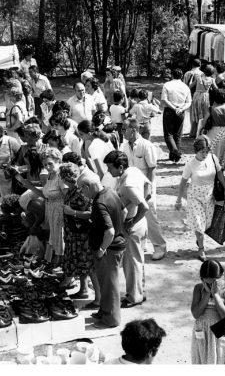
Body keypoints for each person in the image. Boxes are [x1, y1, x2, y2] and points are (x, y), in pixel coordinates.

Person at [104, 150, 150, 308]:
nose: (108, 171)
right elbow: (148, 187)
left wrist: (131, 222)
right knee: (138, 260)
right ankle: (139, 292)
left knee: (132, 263)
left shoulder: (128, 184)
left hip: (133, 225)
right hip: (140, 223)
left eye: (111, 167)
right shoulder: (134, 171)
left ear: (121, 167)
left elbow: (144, 207)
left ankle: (134, 297)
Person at [83, 172, 127, 328]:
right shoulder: (109, 191)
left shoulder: (99, 202)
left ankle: (111, 320)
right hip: (115, 246)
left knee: (110, 286)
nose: (83, 194)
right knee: (105, 283)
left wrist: (102, 248)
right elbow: (124, 211)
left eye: (83, 190)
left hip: (109, 250)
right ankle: (104, 311)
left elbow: (110, 232)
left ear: (88, 186)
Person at [120, 118, 167, 261]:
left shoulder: (147, 146)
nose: (122, 132)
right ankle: (143, 242)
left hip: (146, 186)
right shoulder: (125, 146)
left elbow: (152, 168)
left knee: (150, 215)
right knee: (135, 214)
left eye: (124, 129)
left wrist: (149, 190)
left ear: (133, 130)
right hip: (133, 186)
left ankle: (160, 246)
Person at [175, 137, 225, 261]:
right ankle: (201, 249)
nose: (205, 154)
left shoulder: (213, 158)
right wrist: (178, 200)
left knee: (207, 223)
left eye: (206, 151)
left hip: (209, 196)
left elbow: (219, 173)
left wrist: (224, 187)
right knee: (199, 223)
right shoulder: (190, 165)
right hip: (194, 198)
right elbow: (183, 183)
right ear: (196, 151)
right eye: (202, 151)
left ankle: (199, 240)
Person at [15, 148, 67, 264]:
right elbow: (45, 195)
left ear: (58, 161)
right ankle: (54, 265)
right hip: (51, 211)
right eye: (45, 164)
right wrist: (26, 184)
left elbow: (67, 196)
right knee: (53, 240)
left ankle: (61, 267)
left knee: (59, 240)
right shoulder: (50, 175)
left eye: (50, 164)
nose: (47, 167)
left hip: (59, 214)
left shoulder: (61, 177)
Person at [58, 162, 94, 299]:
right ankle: (83, 288)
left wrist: (72, 212)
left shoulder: (81, 191)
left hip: (81, 234)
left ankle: (85, 289)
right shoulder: (72, 190)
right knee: (79, 262)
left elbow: (90, 213)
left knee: (83, 262)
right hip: (72, 233)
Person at [190, 259, 225, 364]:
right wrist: (207, 294)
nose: (211, 286)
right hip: (201, 329)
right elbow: (196, 314)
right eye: (207, 283)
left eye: (213, 283)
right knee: (201, 359)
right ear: (202, 279)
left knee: (218, 359)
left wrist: (216, 294)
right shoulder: (198, 288)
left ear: (222, 275)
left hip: (219, 332)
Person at [160, 68, 192, 163]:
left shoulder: (167, 85)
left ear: (172, 75)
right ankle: (174, 156)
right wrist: (181, 109)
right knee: (177, 134)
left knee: (168, 134)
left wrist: (174, 108)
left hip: (170, 110)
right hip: (181, 111)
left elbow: (164, 100)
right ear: (182, 76)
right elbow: (189, 101)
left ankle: (175, 152)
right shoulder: (186, 87)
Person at [199, 88, 225, 168]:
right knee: (224, 151)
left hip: (213, 131)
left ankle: (212, 168)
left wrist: (202, 129)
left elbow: (204, 121)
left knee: (212, 150)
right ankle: (221, 169)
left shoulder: (211, 109)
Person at [0, 124, 22, 197]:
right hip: (1, 176)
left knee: (16, 196)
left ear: (1, 136)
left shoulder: (11, 141)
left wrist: (13, 166)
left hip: (14, 175)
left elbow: (21, 156)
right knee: (5, 197)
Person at [77, 119, 114, 184]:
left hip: (106, 180)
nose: (80, 137)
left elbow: (101, 172)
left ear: (89, 134)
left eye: (81, 134)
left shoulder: (93, 147)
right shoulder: (101, 139)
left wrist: (97, 186)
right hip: (112, 177)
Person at [190, 65, 219, 139]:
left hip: (196, 96)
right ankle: (200, 132)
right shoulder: (212, 80)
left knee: (195, 113)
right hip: (205, 97)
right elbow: (216, 89)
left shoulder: (198, 77)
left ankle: (193, 132)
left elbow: (191, 86)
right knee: (204, 115)